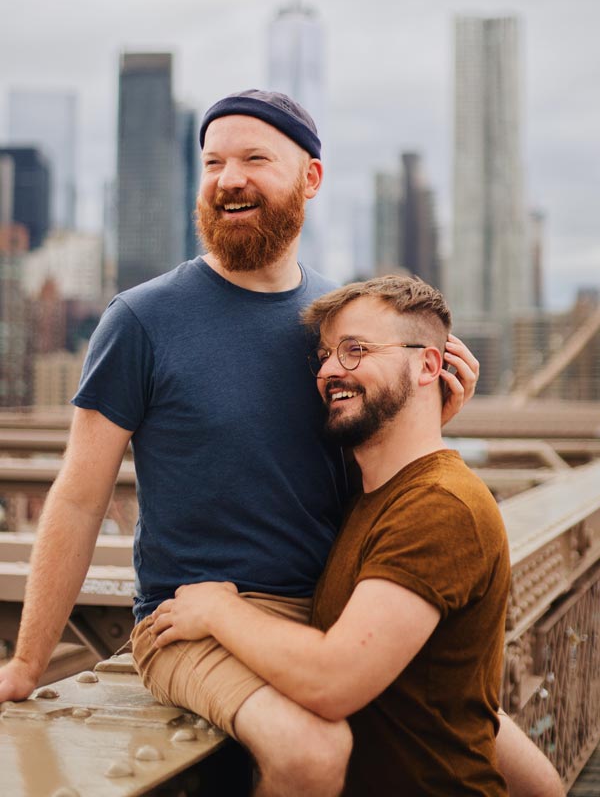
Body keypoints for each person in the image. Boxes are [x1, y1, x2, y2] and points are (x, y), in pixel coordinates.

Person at [0, 91, 561, 796]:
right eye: (213, 162)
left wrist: (430, 411)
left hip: (335, 612)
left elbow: (369, 467)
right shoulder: (140, 320)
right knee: (310, 750)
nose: (228, 177)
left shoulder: (338, 325)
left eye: (254, 159)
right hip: (195, 618)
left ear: (311, 179)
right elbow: (80, 500)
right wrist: (26, 663)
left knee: (474, 722)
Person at [150, 275, 564, 796]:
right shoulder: (372, 499)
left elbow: (333, 681)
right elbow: (457, 706)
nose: (328, 371)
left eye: (356, 350)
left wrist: (216, 609)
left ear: (428, 365)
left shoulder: (440, 507)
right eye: (324, 355)